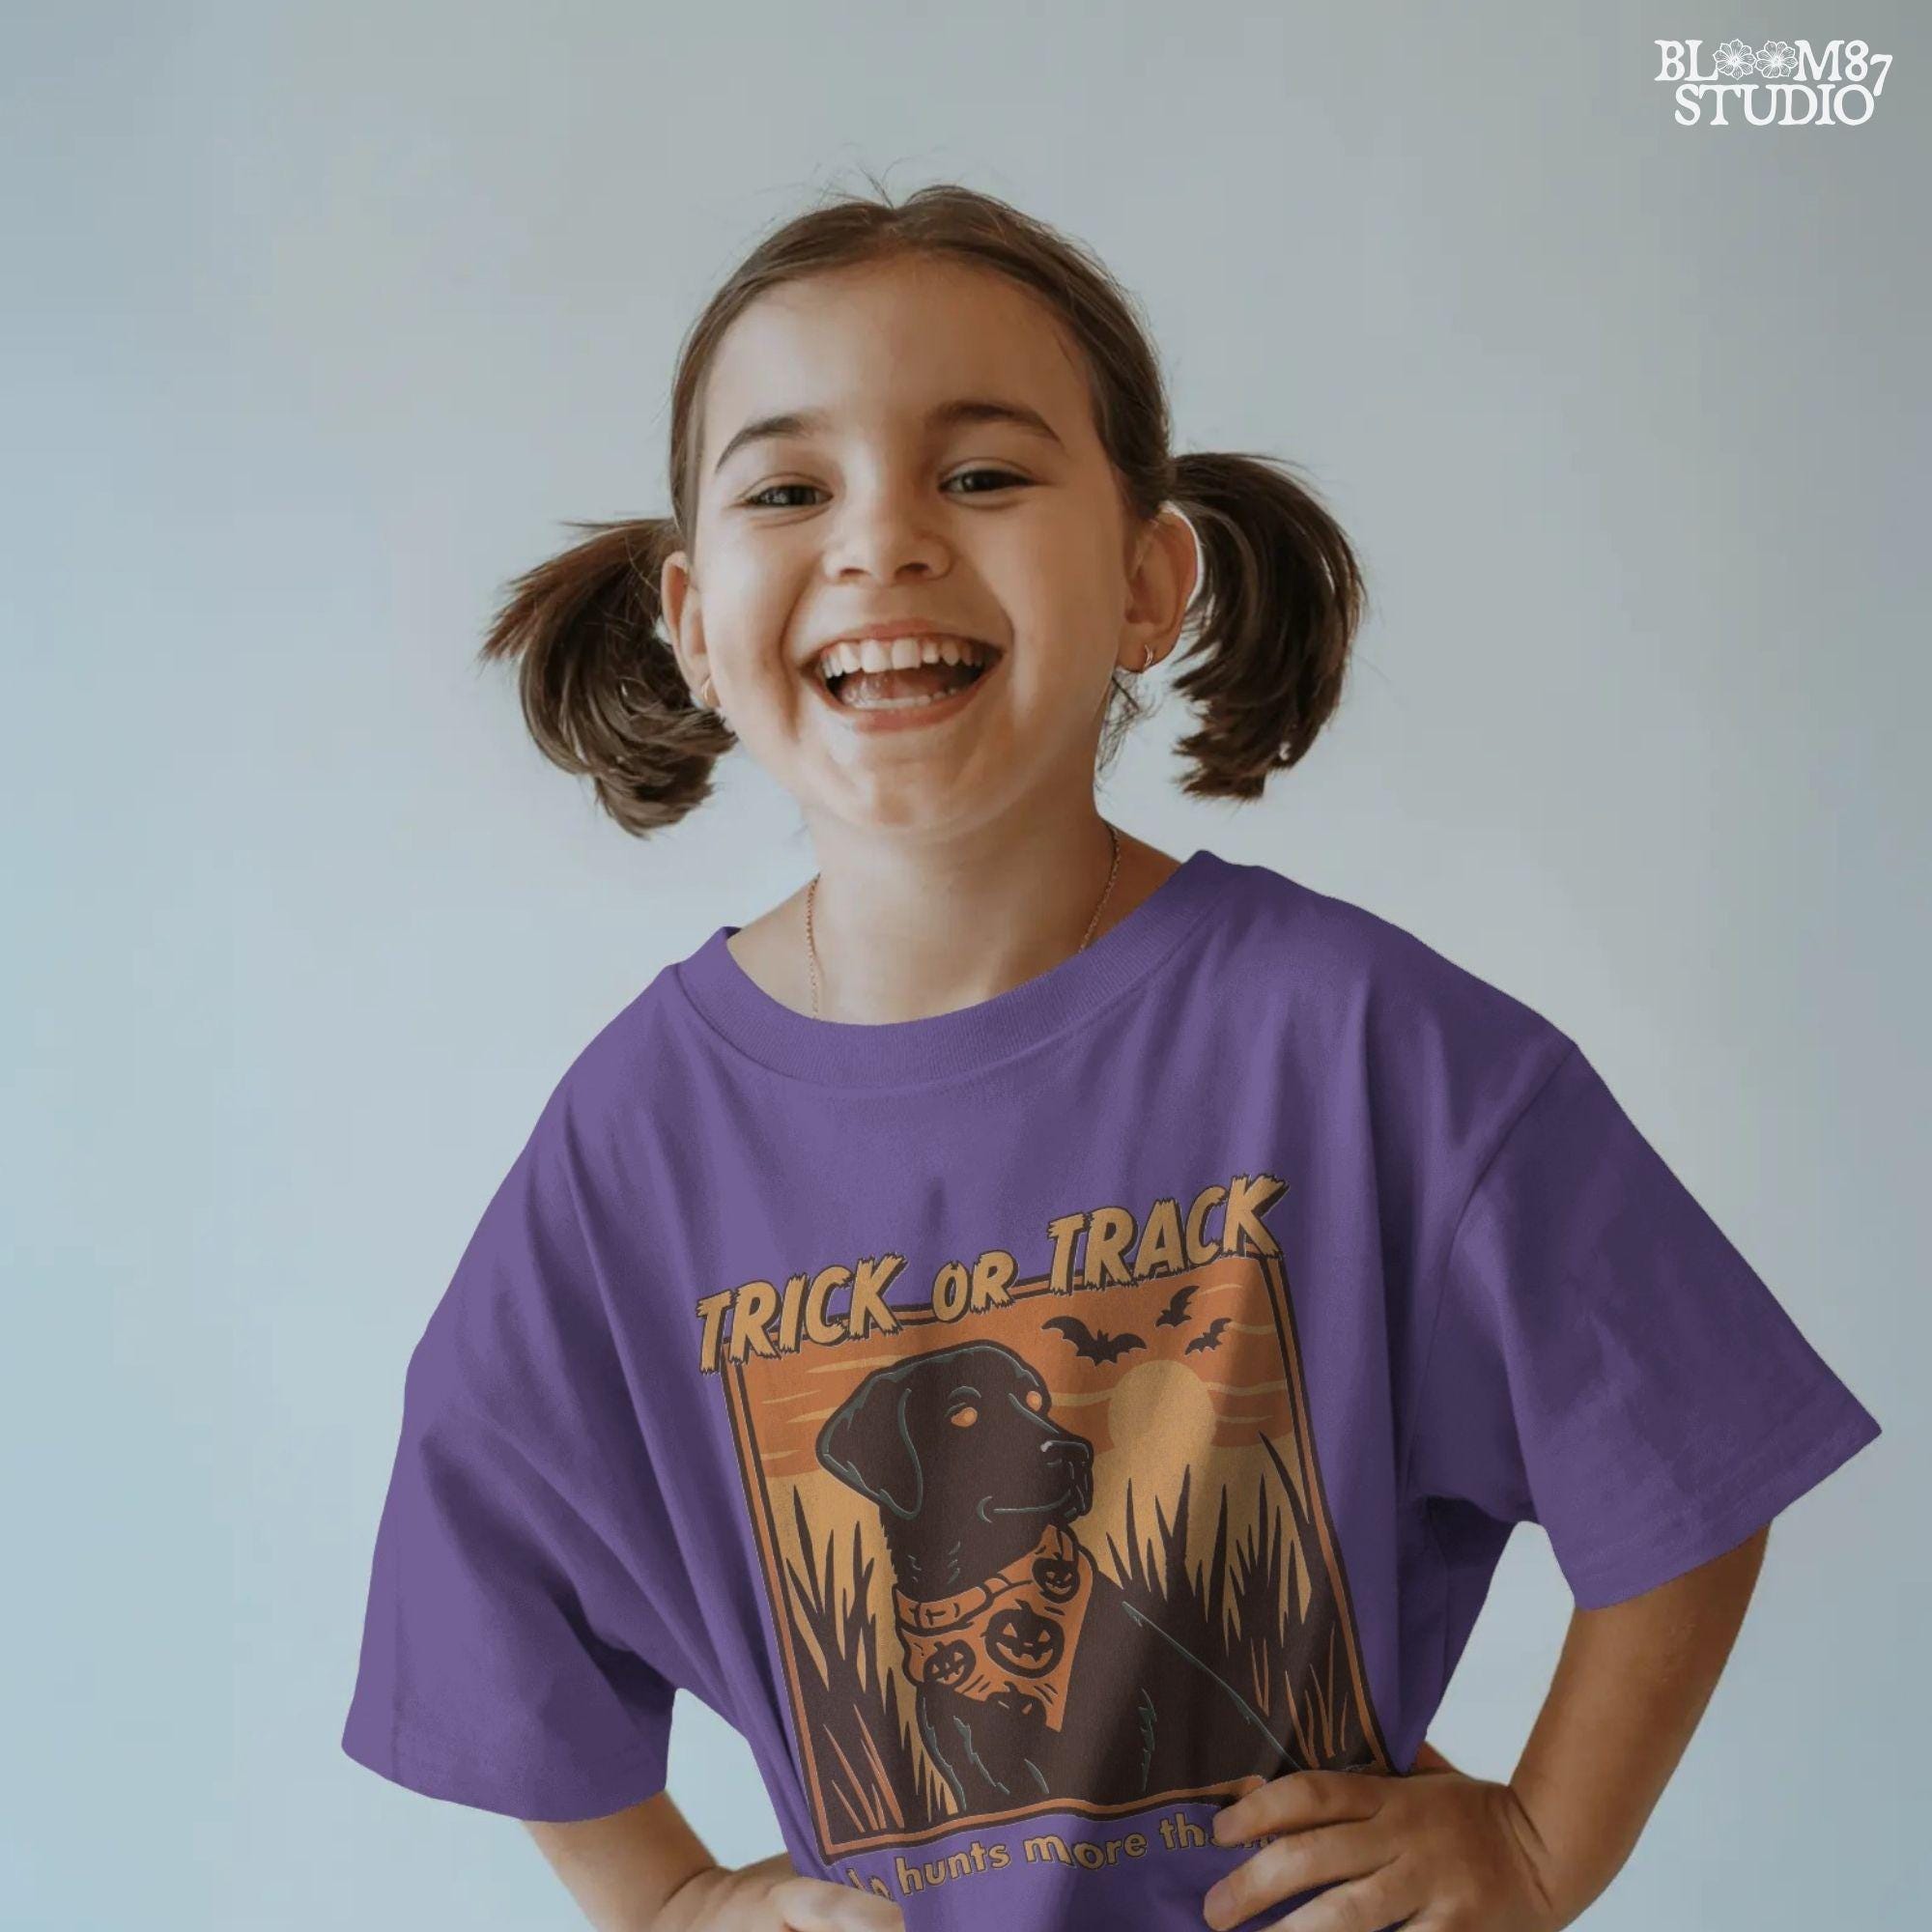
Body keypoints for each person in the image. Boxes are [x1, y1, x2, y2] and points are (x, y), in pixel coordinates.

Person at [339, 180, 1882, 1932]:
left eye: (982, 473)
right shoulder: (634, 1140)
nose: (882, 541)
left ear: (1150, 582)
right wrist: (674, 1901)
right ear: (694, 622)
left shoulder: (1355, 1042)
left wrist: (1539, 1848)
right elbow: (487, 1577)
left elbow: (1689, 1452)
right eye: (789, 489)